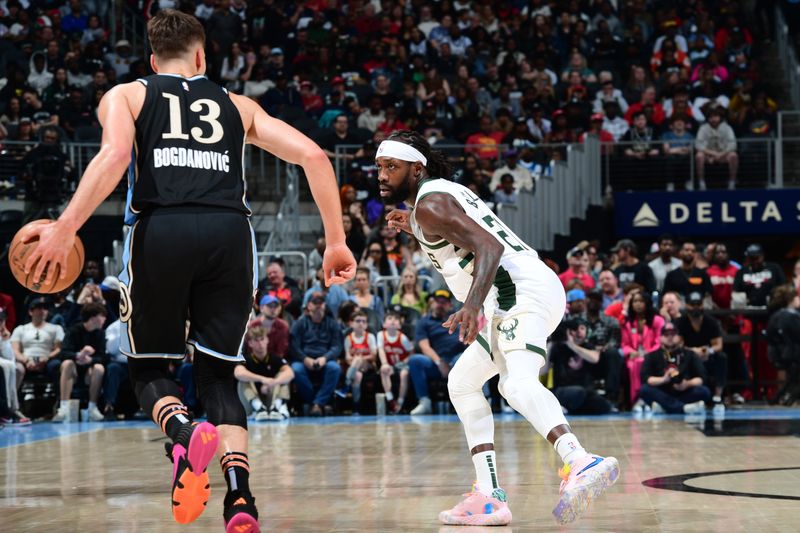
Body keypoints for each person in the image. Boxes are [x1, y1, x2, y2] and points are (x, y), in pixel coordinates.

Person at [22, 10, 356, 532]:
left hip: (162, 231)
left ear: (152, 60)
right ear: (202, 57)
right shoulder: (238, 105)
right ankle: (240, 500)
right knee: (218, 375)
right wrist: (335, 241)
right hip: (229, 237)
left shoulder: (128, 94)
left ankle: (181, 431)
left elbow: (114, 156)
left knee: (149, 369)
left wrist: (67, 225)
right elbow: (314, 155)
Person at [378, 130, 618, 526]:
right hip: (521, 292)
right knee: (462, 382)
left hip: (514, 294)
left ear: (416, 168)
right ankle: (489, 495)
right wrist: (416, 228)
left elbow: (490, 247)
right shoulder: (435, 199)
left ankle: (582, 460)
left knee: (515, 384)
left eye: (392, 167)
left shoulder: (432, 203)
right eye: (380, 167)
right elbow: (458, 239)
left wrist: (471, 306)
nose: (382, 175)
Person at [289, 291, 344, 416]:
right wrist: (305, 359)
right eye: (315, 303)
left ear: (325, 305)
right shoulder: (299, 323)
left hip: (325, 359)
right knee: (296, 369)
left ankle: (317, 404)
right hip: (304, 360)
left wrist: (325, 358)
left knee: (334, 368)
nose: (318, 306)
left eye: (321, 303)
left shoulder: (333, 324)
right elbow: (294, 346)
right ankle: (317, 402)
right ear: (308, 305)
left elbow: (337, 346)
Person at [52, 303, 108, 422]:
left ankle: (92, 408)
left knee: (99, 368)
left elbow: (103, 357)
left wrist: (90, 360)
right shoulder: (73, 330)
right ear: (93, 318)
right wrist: (79, 355)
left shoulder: (101, 333)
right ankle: (64, 408)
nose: (104, 319)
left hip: (90, 371)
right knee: (67, 363)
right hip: (73, 371)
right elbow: (63, 353)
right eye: (102, 316)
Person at [638, 321, 710, 414]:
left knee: (704, 391)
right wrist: (663, 379)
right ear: (660, 338)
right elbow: (646, 378)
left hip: (683, 390)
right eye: (666, 334)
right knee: (645, 390)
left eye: (673, 334)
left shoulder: (690, 354)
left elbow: (702, 377)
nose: (670, 337)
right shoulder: (651, 356)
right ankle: (683, 408)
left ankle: (665, 407)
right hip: (662, 390)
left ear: (679, 337)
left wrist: (687, 384)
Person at [549, 317, 613, 415]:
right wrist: (550, 343)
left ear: (587, 331)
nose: (579, 332)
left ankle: (567, 409)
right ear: (568, 332)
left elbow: (594, 358)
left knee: (605, 406)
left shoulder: (588, 346)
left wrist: (572, 345)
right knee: (577, 392)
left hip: (585, 391)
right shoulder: (558, 347)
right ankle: (565, 407)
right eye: (575, 329)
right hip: (562, 390)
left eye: (582, 328)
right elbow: (542, 371)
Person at [676, 292, 727, 413]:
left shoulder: (711, 321)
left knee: (722, 357)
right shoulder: (680, 322)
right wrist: (694, 351)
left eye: (698, 304)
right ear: (686, 305)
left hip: (706, 355)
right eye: (692, 304)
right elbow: (678, 344)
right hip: (687, 356)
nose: (695, 307)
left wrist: (708, 351)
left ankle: (718, 396)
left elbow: (718, 345)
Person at [234, 325, 294, 421]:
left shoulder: (274, 358)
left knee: (283, 376)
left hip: (271, 400)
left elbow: (290, 373)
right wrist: (263, 379)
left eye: (262, 339)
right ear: (250, 343)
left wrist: (272, 382)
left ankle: (277, 407)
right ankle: (258, 408)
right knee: (243, 379)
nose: (260, 343)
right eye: (256, 341)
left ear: (267, 340)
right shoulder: (245, 359)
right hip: (251, 403)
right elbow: (238, 373)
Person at [11, 297, 64, 396]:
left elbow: (58, 349)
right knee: (16, 368)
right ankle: (13, 402)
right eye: (39, 308)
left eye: (45, 308)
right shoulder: (21, 329)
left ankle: (59, 403)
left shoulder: (56, 328)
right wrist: (26, 360)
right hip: (26, 360)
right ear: (31, 312)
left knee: (57, 366)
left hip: (47, 360)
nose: (43, 311)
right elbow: (15, 350)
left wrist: (47, 357)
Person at [621, 291, 665, 410]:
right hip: (634, 355)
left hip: (653, 355)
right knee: (632, 364)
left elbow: (660, 341)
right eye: (635, 301)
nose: (638, 304)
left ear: (647, 303)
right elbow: (624, 344)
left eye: (641, 301)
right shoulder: (628, 322)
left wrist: (648, 353)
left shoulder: (657, 320)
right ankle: (636, 399)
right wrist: (630, 352)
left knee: (641, 362)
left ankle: (645, 398)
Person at [378, 308, 414, 414]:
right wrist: (384, 363)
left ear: (399, 325)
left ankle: (400, 402)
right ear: (384, 324)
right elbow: (380, 350)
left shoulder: (403, 338)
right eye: (390, 318)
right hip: (390, 365)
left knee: (404, 374)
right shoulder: (381, 335)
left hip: (402, 364)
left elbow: (412, 352)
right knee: (384, 369)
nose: (393, 320)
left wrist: (405, 362)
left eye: (396, 319)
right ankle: (390, 400)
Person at [694, 107, 738, 190]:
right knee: (699, 156)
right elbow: (698, 145)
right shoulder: (703, 128)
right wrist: (713, 154)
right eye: (710, 117)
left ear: (720, 117)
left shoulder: (727, 128)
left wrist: (721, 154)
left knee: (733, 155)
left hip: (723, 155)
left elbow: (733, 145)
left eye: (715, 116)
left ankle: (732, 183)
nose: (713, 119)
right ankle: (701, 183)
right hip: (708, 155)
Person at [342, 310, 377, 411]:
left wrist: (360, 359)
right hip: (354, 368)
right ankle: (356, 407)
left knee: (358, 359)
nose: (361, 323)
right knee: (357, 376)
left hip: (368, 365)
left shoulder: (370, 337)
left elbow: (373, 356)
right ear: (351, 323)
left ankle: (346, 385)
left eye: (364, 321)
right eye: (358, 321)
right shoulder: (348, 339)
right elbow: (347, 358)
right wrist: (357, 361)